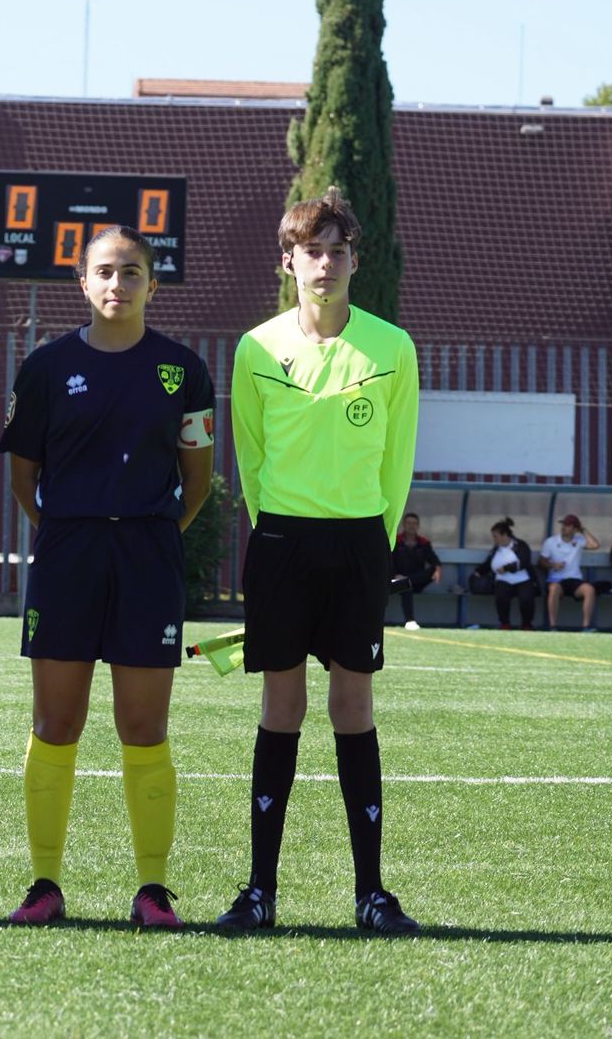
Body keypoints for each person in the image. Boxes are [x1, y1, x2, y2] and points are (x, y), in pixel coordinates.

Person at [0, 226, 214, 929]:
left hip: (148, 559)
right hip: (68, 557)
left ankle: (153, 889)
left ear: (153, 283)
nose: (117, 284)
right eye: (104, 272)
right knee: (55, 722)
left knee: (143, 726)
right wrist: (69, 529)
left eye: (131, 272)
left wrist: (148, 532)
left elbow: (199, 480)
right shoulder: (45, 367)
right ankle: (44, 882)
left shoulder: (184, 370)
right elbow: (25, 477)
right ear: (82, 283)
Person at [218, 187, 421, 935]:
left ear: (354, 260)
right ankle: (259, 891)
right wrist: (277, 532)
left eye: (337, 251)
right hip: (281, 544)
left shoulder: (392, 348)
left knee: (352, 709)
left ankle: (371, 892)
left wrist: (372, 540)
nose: (325, 264)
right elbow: (251, 456)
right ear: (289, 261)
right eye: (313, 251)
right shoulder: (257, 347)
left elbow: (397, 461)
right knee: (281, 708)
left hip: (360, 544)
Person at [539, 514, 600, 632]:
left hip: (574, 579)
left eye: (568, 525)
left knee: (589, 589)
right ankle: (553, 626)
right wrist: (553, 565)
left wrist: (583, 530)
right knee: (554, 589)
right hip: (556, 579)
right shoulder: (551, 542)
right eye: (563, 525)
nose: (564, 527)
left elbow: (595, 545)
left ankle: (586, 627)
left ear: (575, 529)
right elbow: (541, 562)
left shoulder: (579, 541)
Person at [479, 517, 535, 630]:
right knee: (501, 596)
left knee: (526, 599)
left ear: (504, 535)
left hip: (522, 579)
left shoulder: (520, 545)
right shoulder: (496, 548)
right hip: (503, 580)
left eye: (496, 536)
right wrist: (478, 572)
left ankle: (526, 625)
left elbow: (524, 561)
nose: (494, 539)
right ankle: (505, 624)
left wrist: (506, 568)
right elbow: (488, 562)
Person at [390, 512, 442, 631]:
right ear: (403, 525)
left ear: (418, 526)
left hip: (417, 581)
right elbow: (388, 561)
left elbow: (435, 561)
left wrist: (438, 569)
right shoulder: (395, 541)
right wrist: (395, 575)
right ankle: (410, 621)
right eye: (408, 523)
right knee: (406, 587)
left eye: (414, 523)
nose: (411, 526)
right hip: (397, 581)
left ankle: (407, 580)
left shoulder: (423, 543)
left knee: (430, 571)